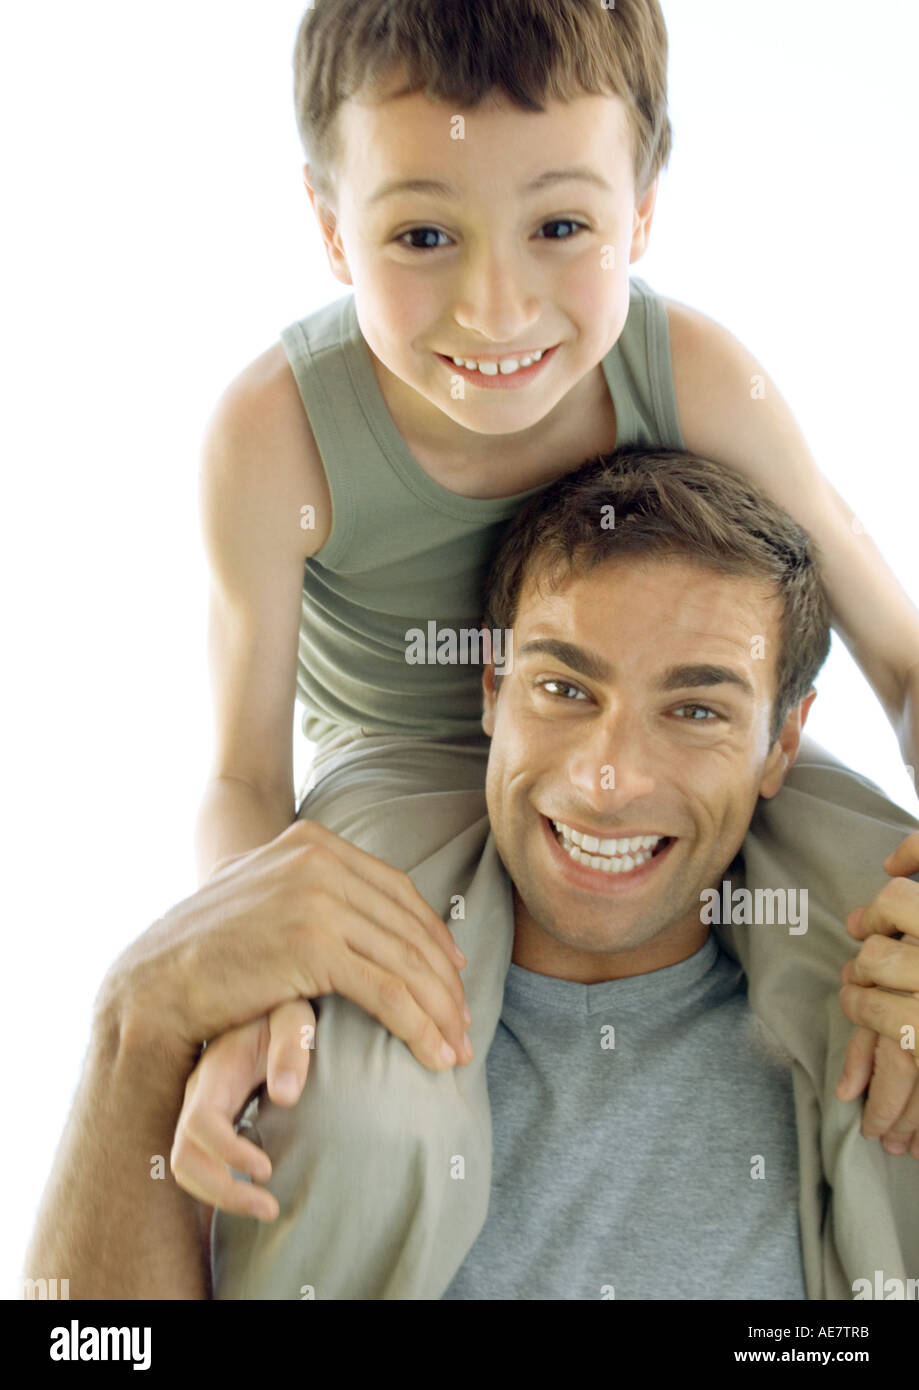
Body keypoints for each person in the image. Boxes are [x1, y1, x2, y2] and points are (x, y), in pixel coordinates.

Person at [192, 0, 919, 1158]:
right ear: (330, 226)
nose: (497, 310)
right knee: (356, 1095)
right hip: (406, 767)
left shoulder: (698, 374)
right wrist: (246, 965)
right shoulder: (272, 435)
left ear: (640, 211)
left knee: (884, 961)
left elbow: (897, 651)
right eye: (423, 237)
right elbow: (239, 775)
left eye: (562, 225)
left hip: (672, 738)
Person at [24, 449, 917, 1300]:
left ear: (781, 745)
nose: (608, 782)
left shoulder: (872, 1051)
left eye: (694, 709)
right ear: (491, 685)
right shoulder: (275, 1038)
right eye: (564, 690)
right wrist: (133, 1028)